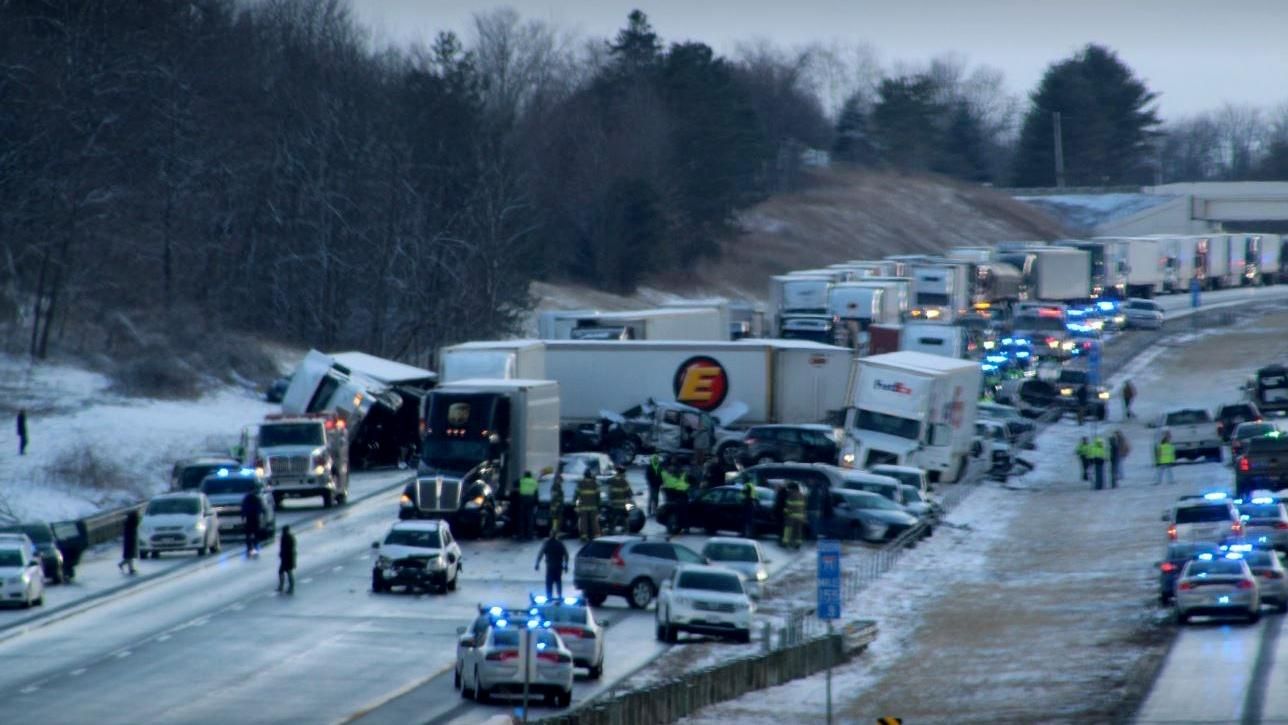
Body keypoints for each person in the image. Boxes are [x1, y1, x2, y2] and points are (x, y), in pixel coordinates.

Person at [534, 530, 570, 600]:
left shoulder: (547, 543)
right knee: (558, 581)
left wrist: (537, 564)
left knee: (549, 582)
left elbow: (540, 554)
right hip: (558, 566)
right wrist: (566, 565)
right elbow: (566, 555)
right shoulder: (560, 544)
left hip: (550, 567)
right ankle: (559, 596)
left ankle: (549, 597)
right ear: (556, 535)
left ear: (550, 535)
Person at [575, 471, 601, 542]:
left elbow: (577, 497)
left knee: (584, 522)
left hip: (583, 507)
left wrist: (577, 506)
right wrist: (599, 506)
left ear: (584, 476)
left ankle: (584, 536)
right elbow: (598, 497)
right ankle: (597, 535)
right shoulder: (595, 484)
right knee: (594, 521)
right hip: (593, 507)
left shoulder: (580, 484)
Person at [607, 467, 632, 533]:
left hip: (614, 504)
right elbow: (629, 493)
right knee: (625, 518)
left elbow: (609, 492)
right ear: (622, 473)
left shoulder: (612, 480)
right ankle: (626, 530)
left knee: (613, 518)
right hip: (623, 504)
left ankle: (611, 530)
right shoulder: (624, 481)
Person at [241, 488, 265, 556]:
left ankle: (249, 547)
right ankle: (254, 546)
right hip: (255, 519)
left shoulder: (246, 499)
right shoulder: (257, 499)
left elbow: (243, 509)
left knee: (248, 534)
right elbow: (260, 509)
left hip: (249, 519)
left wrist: (243, 517)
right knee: (255, 533)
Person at [781, 482, 805, 550]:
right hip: (800, 516)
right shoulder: (801, 495)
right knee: (798, 531)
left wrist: (785, 512)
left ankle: (785, 542)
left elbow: (788, 506)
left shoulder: (791, 495)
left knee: (788, 529)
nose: (789, 490)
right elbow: (803, 506)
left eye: (789, 489)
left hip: (791, 516)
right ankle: (798, 544)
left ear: (793, 489)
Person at [517, 470, 539, 541]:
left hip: (522, 499)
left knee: (522, 518)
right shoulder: (534, 481)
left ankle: (521, 534)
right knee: (530, 517)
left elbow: (516, 484)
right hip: (531, 499)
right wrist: (536, 502)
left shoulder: (522, 481)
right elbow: (536, 492)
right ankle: (530, 535)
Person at [119, 509, 139, 575]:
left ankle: (130, 568)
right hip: (130, 540)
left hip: (129, 540)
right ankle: (125, 566)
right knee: (130, 556)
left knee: (130, 556)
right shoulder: (132, 523)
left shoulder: (128, 523)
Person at [278, 525, 296, 593]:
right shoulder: (289, 537)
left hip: (287, 557)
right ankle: (285, 587)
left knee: (287, 572)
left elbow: (285, 548)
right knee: (284, 572)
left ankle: (289, 587)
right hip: (287, 557)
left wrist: (282, 554)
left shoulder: (286, 537)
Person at [547, 470, 565, 536]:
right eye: (560, 480)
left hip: (557, 506)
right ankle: (555, 531)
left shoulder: (557, 486)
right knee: (555, 519)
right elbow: (555, 497)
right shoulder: (555, 487)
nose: (561, 481)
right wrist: (556, 505)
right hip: (556, 506)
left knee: (557, 519)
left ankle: (556, 531)